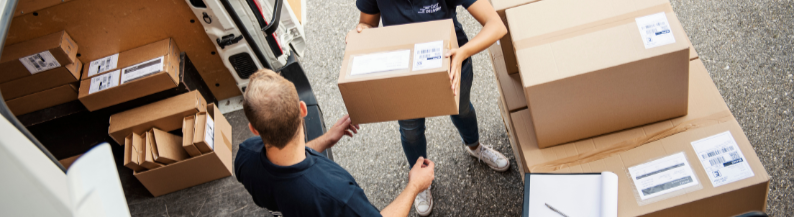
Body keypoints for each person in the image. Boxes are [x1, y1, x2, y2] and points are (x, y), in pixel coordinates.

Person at [352, 0, 509, 215]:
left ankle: (475, 148)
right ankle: (420, 183)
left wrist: (462, 53)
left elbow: (496, 25)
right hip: (404, 73)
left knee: (462, 111)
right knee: (411, 131)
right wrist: (364, 32)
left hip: (453, 67)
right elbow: (368, 23)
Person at [234, 69, 435, 217]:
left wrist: (326, 139)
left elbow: (285, 164)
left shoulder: (245, 157)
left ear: (254, 128)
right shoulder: (336, 194)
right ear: (303, 110)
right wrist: (414, 186)